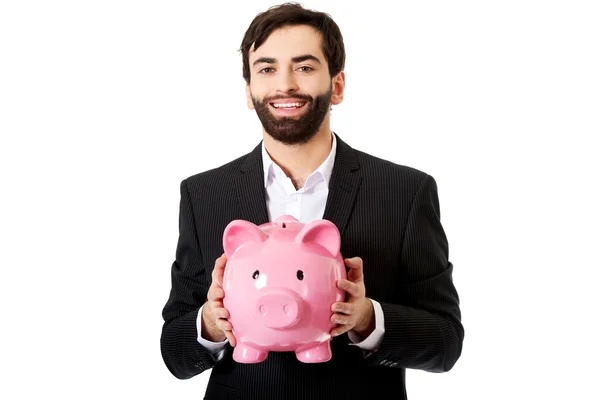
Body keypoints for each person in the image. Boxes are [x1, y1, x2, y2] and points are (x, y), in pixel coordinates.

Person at [160, 3, 464, 399]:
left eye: (304, 67)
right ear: (250, 91)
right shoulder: (203, 194)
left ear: (336, 85)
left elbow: (445, 343)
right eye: (267, 69)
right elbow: (174, 352)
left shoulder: (405, 191)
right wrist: (212, 324)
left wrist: (367, 319)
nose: (284, 84)